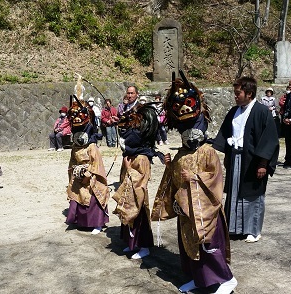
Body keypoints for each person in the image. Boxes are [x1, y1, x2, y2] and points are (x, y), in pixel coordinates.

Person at [151, 70, 237, 294]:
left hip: (205, 209)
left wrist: (196, 178)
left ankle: (225, 279)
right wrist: (171, 166)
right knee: (187, 244)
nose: (189, 137)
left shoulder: (208, 151)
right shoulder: (180, 153)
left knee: (208, 244)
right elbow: (177, 177)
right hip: (186, 208)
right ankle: (197, 278)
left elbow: (216, 178)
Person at [213, 76, 279, 243]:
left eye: (238, 93)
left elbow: (269, 139)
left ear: (249, 94)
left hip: (253, 160)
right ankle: (234, 227)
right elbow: (226, 134)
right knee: (235, 192)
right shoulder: (234, 111)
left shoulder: (262, 111)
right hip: (236, 158)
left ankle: (253, 230)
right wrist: (228, 155)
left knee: (253, 194)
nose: (235, 96)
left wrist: (263, 163)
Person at [113, 102, 163, 260]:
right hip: (131, 160)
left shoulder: (142, 154)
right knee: (128, 202)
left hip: (137, 166)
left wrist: (129, 167)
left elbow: (139, 182)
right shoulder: (133, 130)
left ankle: (144, 245)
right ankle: (132, 242)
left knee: (138, 204)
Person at [65, 98, 110, 234]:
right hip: (78, 175)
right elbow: (72, 162)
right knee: (77, 195)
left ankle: (97, 223)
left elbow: (97, 165)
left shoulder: (92, 147)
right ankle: (82, 221)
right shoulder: (75, 147)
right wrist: (74, 172)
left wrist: (88, 174)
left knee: (92, 196)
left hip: (90, 177)